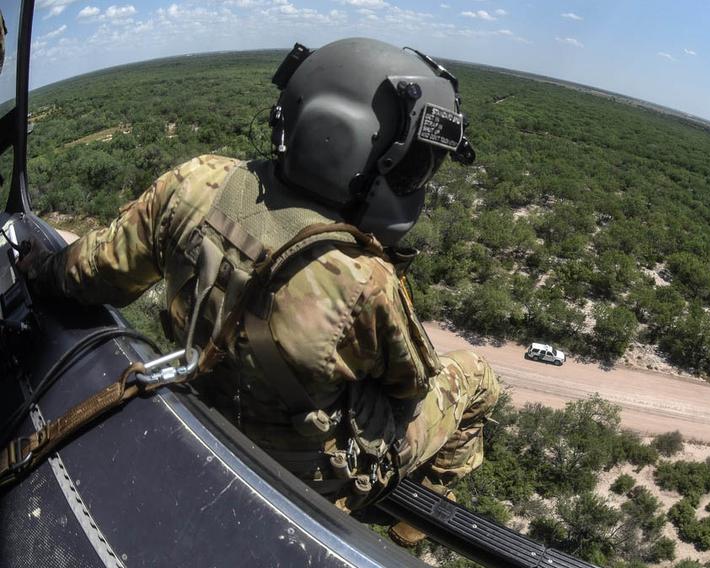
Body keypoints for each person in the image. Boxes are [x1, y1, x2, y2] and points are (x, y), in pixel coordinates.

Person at [21, 38, 500, 547]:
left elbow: (91, 272)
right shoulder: (363, 277)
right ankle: (410, 531)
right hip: (312, 477)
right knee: (477, 378)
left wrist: (38, 266)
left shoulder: (195, 183)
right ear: (356, 147)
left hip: (198, 408)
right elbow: (410, 387)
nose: (416, 182)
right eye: (414, 165)